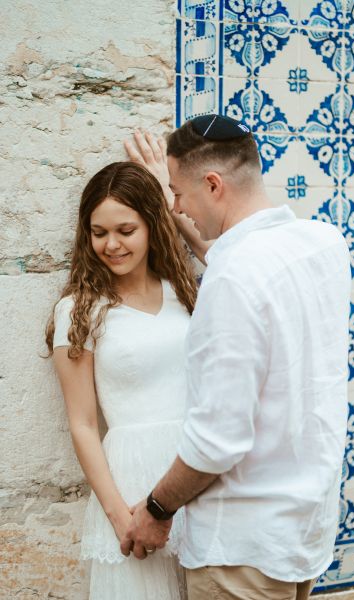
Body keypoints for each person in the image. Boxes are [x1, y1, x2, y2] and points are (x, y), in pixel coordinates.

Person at [120, 114, 352, 600]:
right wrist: (170, 206)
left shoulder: (233, 279)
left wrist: (156, 510)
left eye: (180, 193)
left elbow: (217, 442)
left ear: (213, 184)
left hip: (240, 553)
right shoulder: (323, 246)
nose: (177, 205)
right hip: (304, 532)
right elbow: (239, 259)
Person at [45, 158, 208, 599]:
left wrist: (170, 199)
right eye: (99, 233)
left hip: (197, 474)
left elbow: (234, 260)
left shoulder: (185, 292)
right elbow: (82, 424)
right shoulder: (79, 311)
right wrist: (120, 516)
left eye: (126, 230)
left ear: (153, 224)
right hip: (134, 486)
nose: (112, 245)